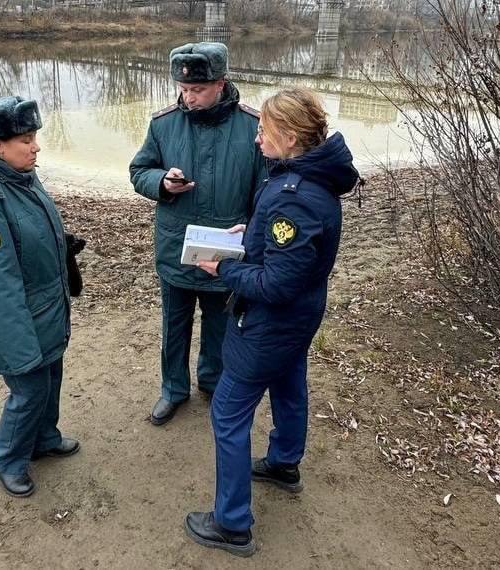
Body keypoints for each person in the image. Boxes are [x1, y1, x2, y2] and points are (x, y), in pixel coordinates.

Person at [185, 88, 359, 556]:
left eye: (263, 131)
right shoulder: (305, 177)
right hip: (299, 320)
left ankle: (232, 523)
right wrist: (252, 234)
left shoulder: (296, 197)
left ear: (288, 135)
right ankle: (284, 463)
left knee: (227, 411)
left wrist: (223, 268)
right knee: (288, 383)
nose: (257, 138)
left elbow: (277, 284)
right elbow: (290, 253)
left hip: (270, 324)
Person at [129, 42, 267, 426]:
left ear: (221, 83)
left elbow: (266, 191)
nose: (188, 97)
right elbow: (138, 171)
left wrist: (253, 235)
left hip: (226, 251)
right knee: (174, 325)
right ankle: (173, 390)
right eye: (184, 89)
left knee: (220, 325)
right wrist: (161, 182)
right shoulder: (163, 124)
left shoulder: (253, 127)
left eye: (198, 90)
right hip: (176, 248)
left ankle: (212, 383)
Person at [0, 96, 79, 498]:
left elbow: (30, 235)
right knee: (29, 391)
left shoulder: (24, 178)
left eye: (35, 136)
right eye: (26, 139)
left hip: (46, 309)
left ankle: (44, 438)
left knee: (51, 378)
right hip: (19, 321)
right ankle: (6, 460)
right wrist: (18, 348)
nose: (36, 146)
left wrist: (60, 245)